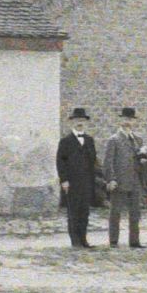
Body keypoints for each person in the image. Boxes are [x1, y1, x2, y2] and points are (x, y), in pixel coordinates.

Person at [100, 106, 147, 249]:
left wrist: (146, 160)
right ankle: (113, 241)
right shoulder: (114, 140)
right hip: (120, 181)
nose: (128, 122)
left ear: (134, 122)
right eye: (125, 119)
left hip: (135, 181)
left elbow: (142, 159)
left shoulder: (138, 140)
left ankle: (134, 241)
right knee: (115, 212)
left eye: (130, 120)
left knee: (135, 213)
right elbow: (108, 162)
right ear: (120, 120)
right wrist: (111, 179)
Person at [56, 106, 99, 250]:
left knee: (84, 213)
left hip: (86, 182)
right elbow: (60, 162)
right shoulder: (65, 142)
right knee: (73, 212)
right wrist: (64, 180)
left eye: (82, 120)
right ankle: (75, 241)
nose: (80, 123)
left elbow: (93, 161)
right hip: (72, 183)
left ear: (86, 123)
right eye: (77, 120)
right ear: (71, 122)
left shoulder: (89, 140)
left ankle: (83, 239)